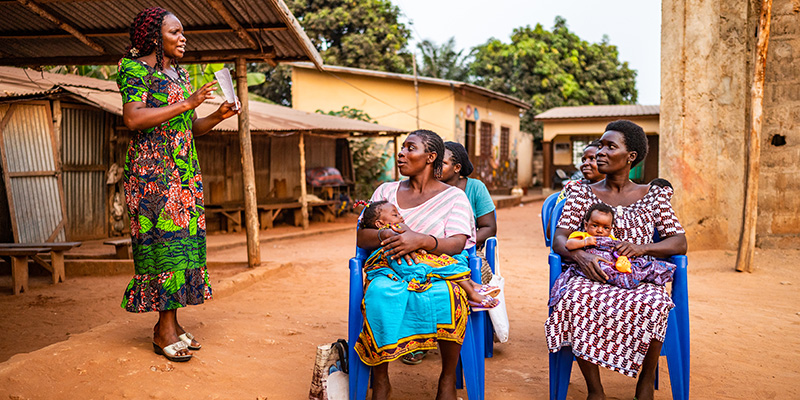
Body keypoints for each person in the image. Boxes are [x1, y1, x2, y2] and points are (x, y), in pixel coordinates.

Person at [117, 7, 240, 363]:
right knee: (163, 248)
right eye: (175, 32)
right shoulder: (133, 68)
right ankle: (163, 330)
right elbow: (133, 117)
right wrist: (188, 102)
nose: (183, 38)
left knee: (184, 248)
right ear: (155, 36)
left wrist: (217, 116)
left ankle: (173, 322)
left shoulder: (180, 75)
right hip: (152, 175)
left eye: (183, 32)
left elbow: (190, 127)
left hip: (184, 174)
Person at [545, 120, 687, 400]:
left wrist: (642, 248)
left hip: (636, 276)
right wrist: (581, 256)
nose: (600, 152)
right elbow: (559, 238)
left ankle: (645, 381)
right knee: (573, 297)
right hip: (590, 273)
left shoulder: (653, 195)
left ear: (630, 156)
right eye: (600, 145)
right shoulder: (581, 192)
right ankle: (595, 390)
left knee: (656, 301)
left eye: (610, 146)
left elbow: (679, 242)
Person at [355, 129, 478, 400]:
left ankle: (447, 377)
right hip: (390, 268)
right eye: (402, 148)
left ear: (430, 157)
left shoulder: (454, 197)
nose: (402, 153)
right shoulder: (385, 191)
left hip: (437, 268)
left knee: (450, 295)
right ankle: (381, 379)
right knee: (377, 294)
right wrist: (384, 235)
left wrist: (420, 240)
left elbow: (457, 243)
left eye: (411, 148)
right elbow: (362, 236)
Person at [357, 199, 500, 307]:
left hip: (399, 264)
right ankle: (472, 293)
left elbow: (413, 241)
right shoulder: (396, 228)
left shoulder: (387, 231)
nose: (401, 217)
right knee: (445, 267)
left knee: (445, 265)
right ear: (379, 224)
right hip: (405, 263)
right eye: (395, 214)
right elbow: (411, 239)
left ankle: (472, 286)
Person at [548, 203, 676, 306]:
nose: (599, 230)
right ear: (586, 225)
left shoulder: (610, 238)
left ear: (610, 229)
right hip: (593, 266)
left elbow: (614, 251)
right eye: (595, 225)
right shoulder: (583, 235)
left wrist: (622, 257)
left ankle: (654, 271)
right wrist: (585, 242)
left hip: (612, 263)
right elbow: (569, 245)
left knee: (638, 265)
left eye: (605, 228)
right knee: (607, 270)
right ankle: (626, 280)